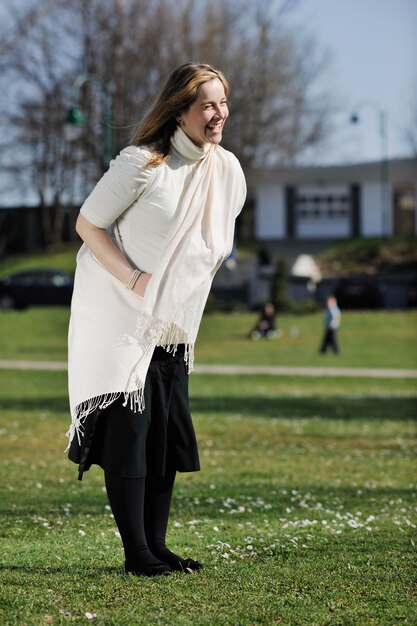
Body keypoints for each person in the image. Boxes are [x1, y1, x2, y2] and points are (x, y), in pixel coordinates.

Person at [66, 63, 246, 578]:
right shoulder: (143, 163)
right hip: (120, 313)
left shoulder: (226, 169)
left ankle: (158, 547)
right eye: (208, 104)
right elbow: (87, 224)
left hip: (171, 323)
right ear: (180, 108)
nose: (219, 115)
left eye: (223, 103)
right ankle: (136, 554)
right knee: (131, 431)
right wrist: (133, 279)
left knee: (163, 434)